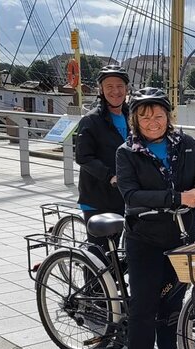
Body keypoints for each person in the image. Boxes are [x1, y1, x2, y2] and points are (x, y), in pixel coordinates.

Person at [116, 87, 195, 349]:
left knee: (172, 299)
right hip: (145, 240)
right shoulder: (127, 152)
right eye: (145, 116)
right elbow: (131, 196)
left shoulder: (185, 144)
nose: (153, 121)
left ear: (168, 117)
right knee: (143, 309)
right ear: (135, 120)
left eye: (159, 115)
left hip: (182, 238)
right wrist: (177, 198)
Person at [75, 65, 129, 253]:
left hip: (124, 194)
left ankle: (112, 281)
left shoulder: (133, 117)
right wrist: (110, 176)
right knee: (99, 253)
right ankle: (93, 282)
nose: (116, 91)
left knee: (116, 252)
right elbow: (83, 157)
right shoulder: (91, 120)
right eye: (109, 86)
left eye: (120, 86)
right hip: (98, 196)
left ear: (127, 89)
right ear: (101, 90)